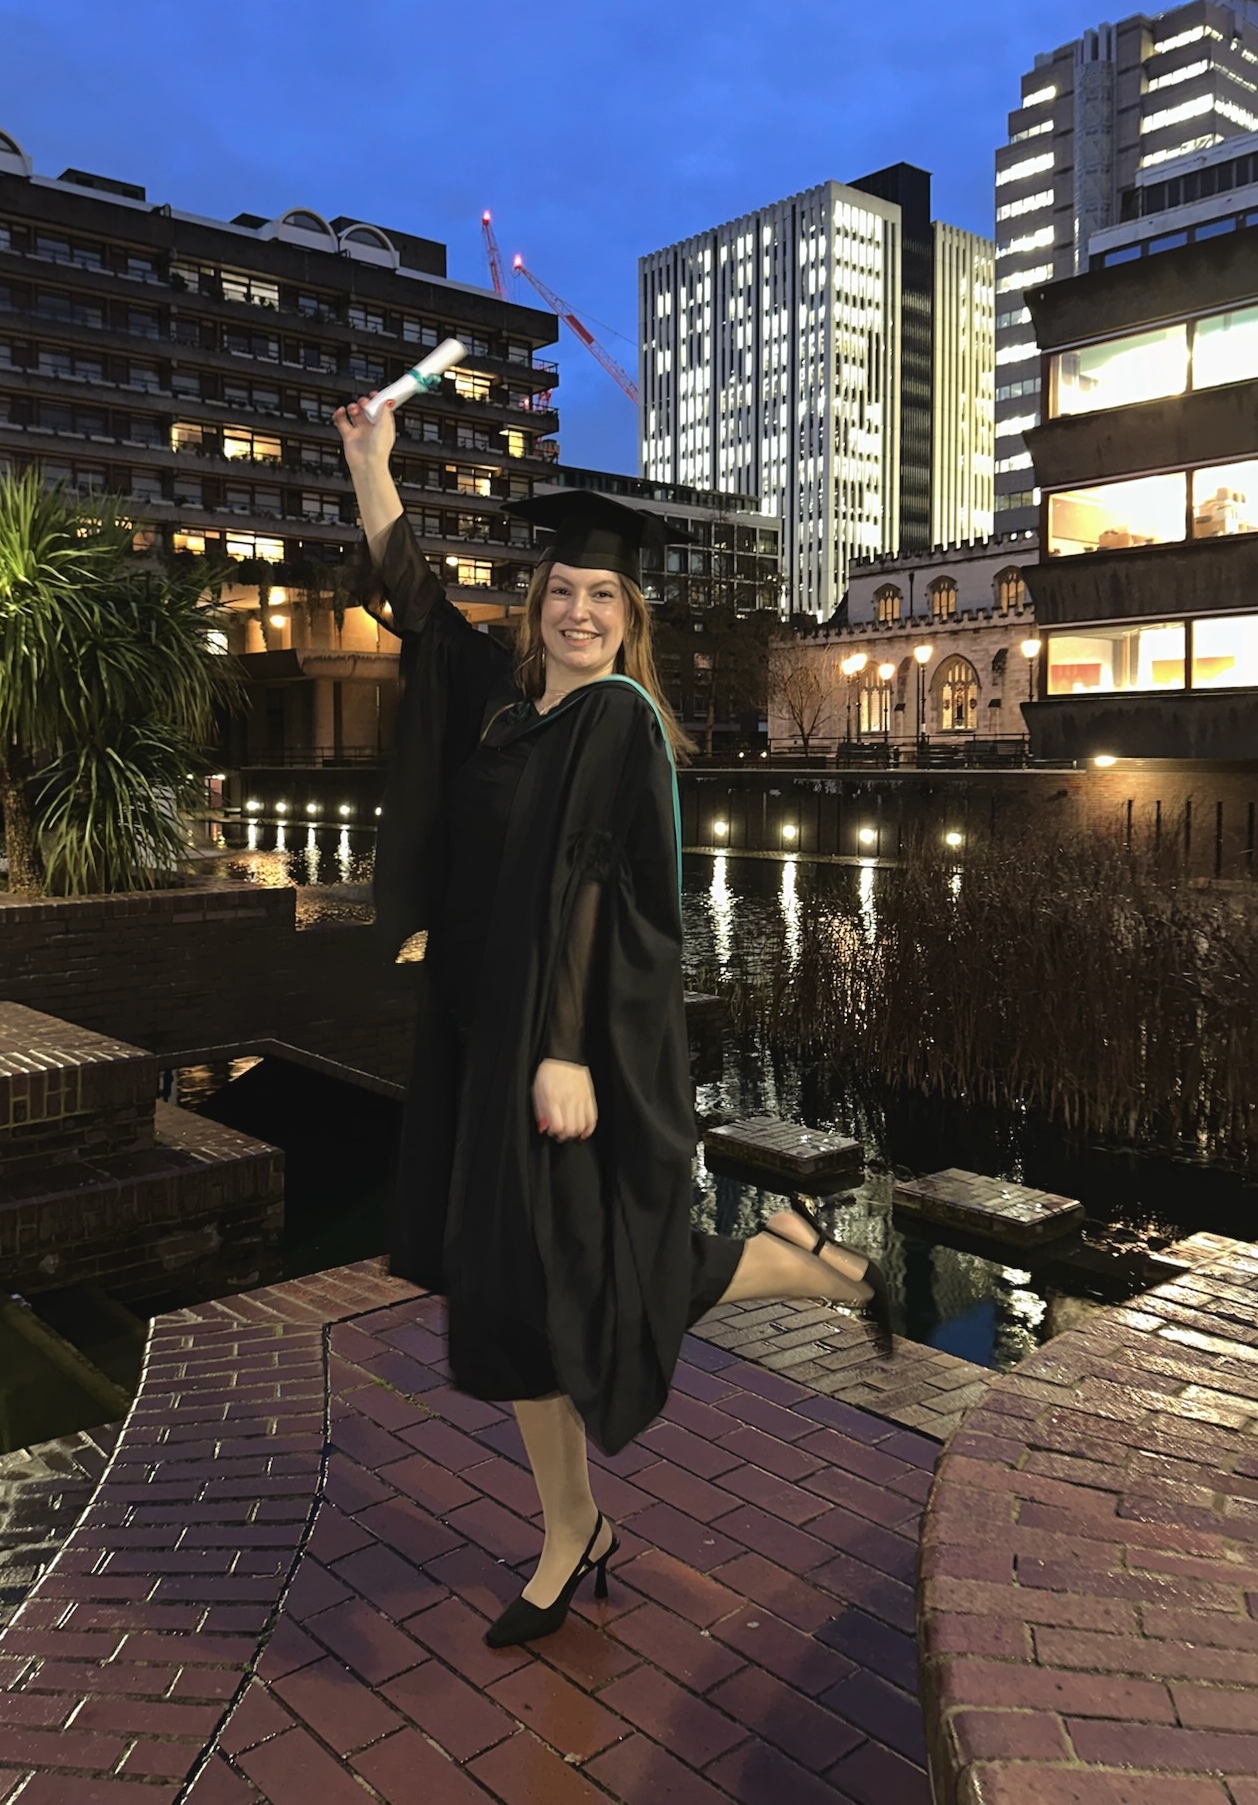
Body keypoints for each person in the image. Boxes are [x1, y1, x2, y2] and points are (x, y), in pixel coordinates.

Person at [336, 397, 892, 1650]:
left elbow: (610, 889)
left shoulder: (623, 724)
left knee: (565, 1279)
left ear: (630, 613)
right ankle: (573, 1522)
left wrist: (568, 1046)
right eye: (562, 590)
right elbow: (420, 606)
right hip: (484, 1038)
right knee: (510, 1292)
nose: (580, 608)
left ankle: (775, 1261)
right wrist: (370, 464)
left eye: (604, 594)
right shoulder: (505, 708)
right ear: (536, 603)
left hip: (562, 1047)